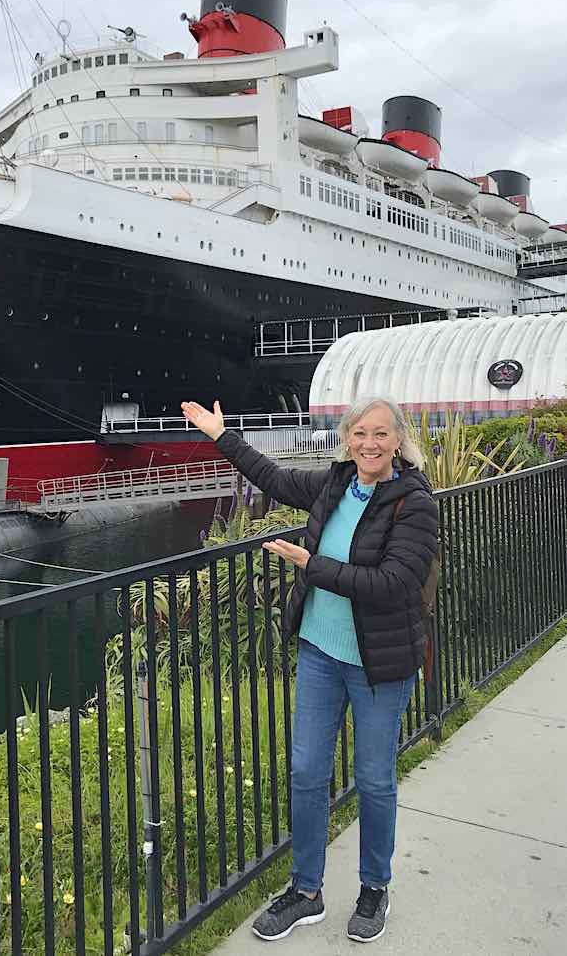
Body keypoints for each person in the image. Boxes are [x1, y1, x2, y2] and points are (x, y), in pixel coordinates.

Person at [180, 395, 438, 945]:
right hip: (321, 652)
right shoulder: (335, 483)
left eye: (380, 435)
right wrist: (220, 435)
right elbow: (272, 478)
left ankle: (374, 887)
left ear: (398, 441)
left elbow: (394, 585)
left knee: (373, 779)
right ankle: (306, 890)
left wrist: (310, 566)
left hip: (378, 664)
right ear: (347, 438)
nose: (368, 444)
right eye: (359, 433)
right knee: (306, 773)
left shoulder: (413, 503)